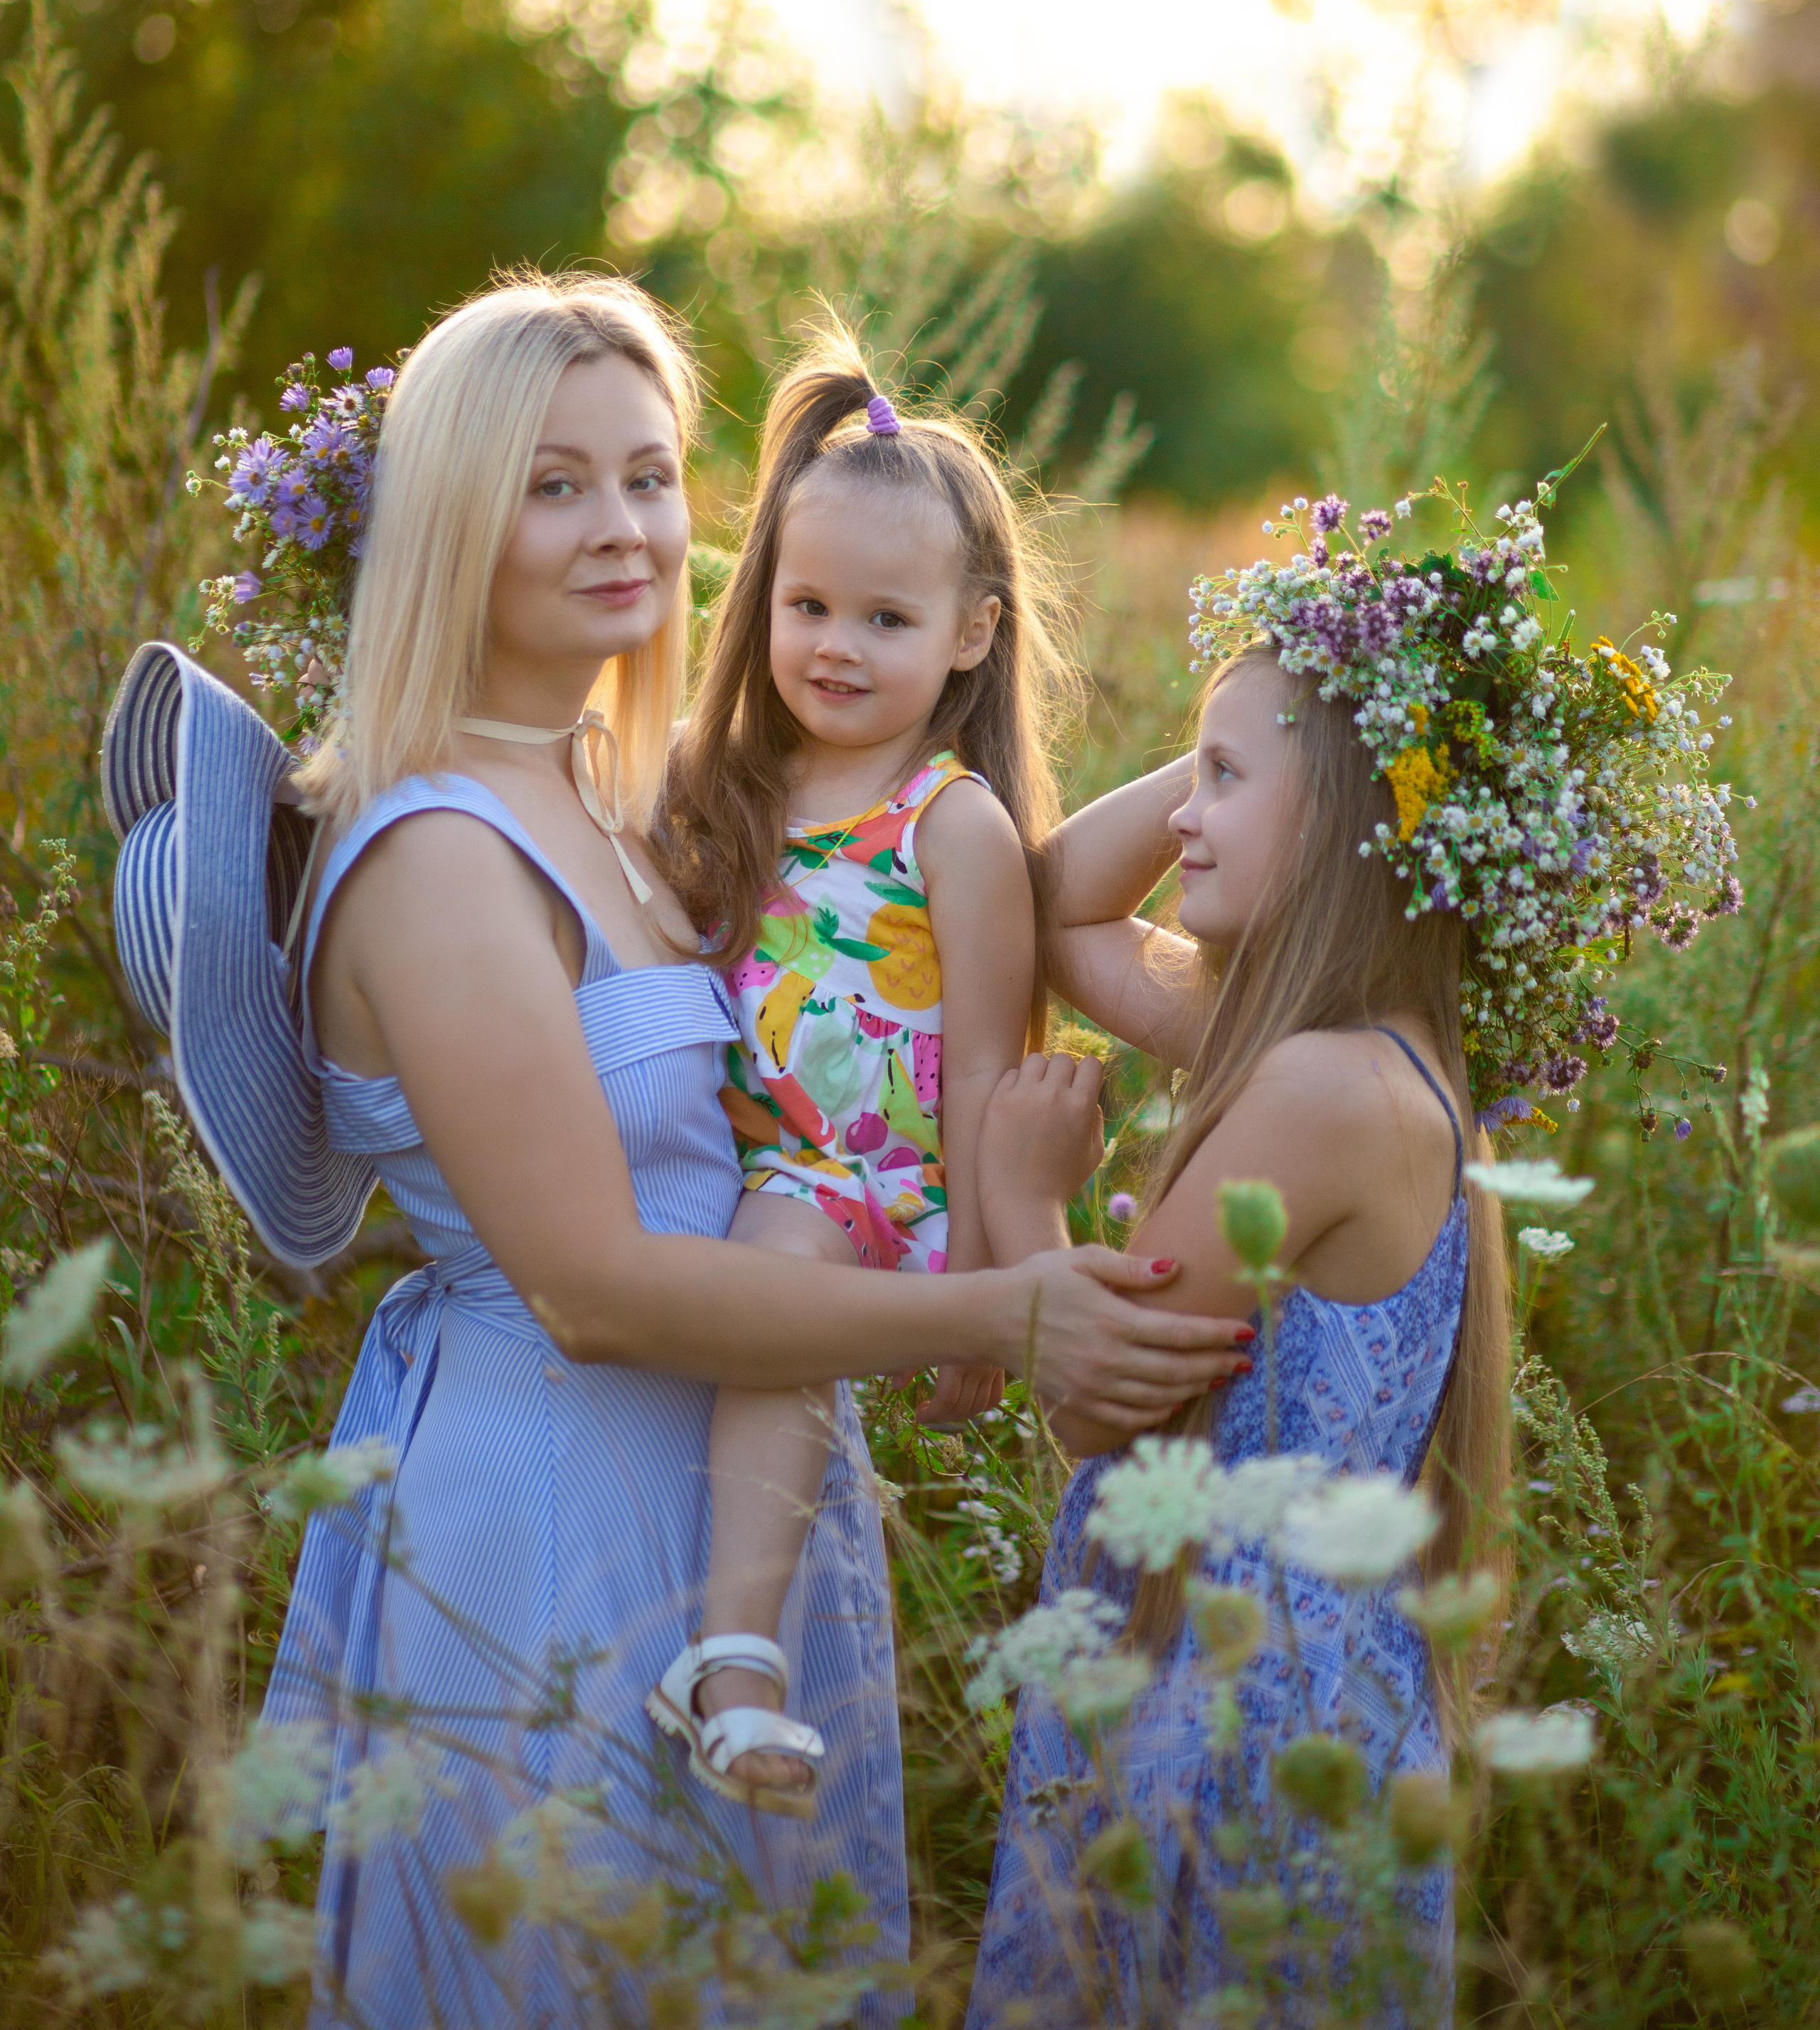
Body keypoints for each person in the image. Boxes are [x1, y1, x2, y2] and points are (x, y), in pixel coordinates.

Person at [105, 270, 1250, 2030]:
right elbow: (591, 1287)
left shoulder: (624, 793)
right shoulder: (437, 854)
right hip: (553, 1507)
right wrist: (997, 1311)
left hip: (726, 1490)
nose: (624, 525)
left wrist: (1313, 963)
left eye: (649, 476)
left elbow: (940, 974)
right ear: (450, 517)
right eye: (553, 484)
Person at [964, 640, 1511, 2024]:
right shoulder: (1350, 1047)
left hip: (1237, 1702)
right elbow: (1056, 908)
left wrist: (1025, 1196)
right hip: (1304, 1681)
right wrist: (1303, 687)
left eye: (1219, 779)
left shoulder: (1320, 1088)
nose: (1181, 816)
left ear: (1337, 822)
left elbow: (1093, 1404)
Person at [654, 331, 1071, 1813]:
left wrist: (979, 1278)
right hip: (746, 1166)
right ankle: (720, 1644)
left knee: (779, 1292)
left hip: (867, 1187)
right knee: (750, 1290)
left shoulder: (950, 823)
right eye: (808, 604)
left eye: (885, 618)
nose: (836, 644)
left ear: (970, 634)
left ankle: (730, 1661)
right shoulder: (721, 784)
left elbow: (985, 1065)